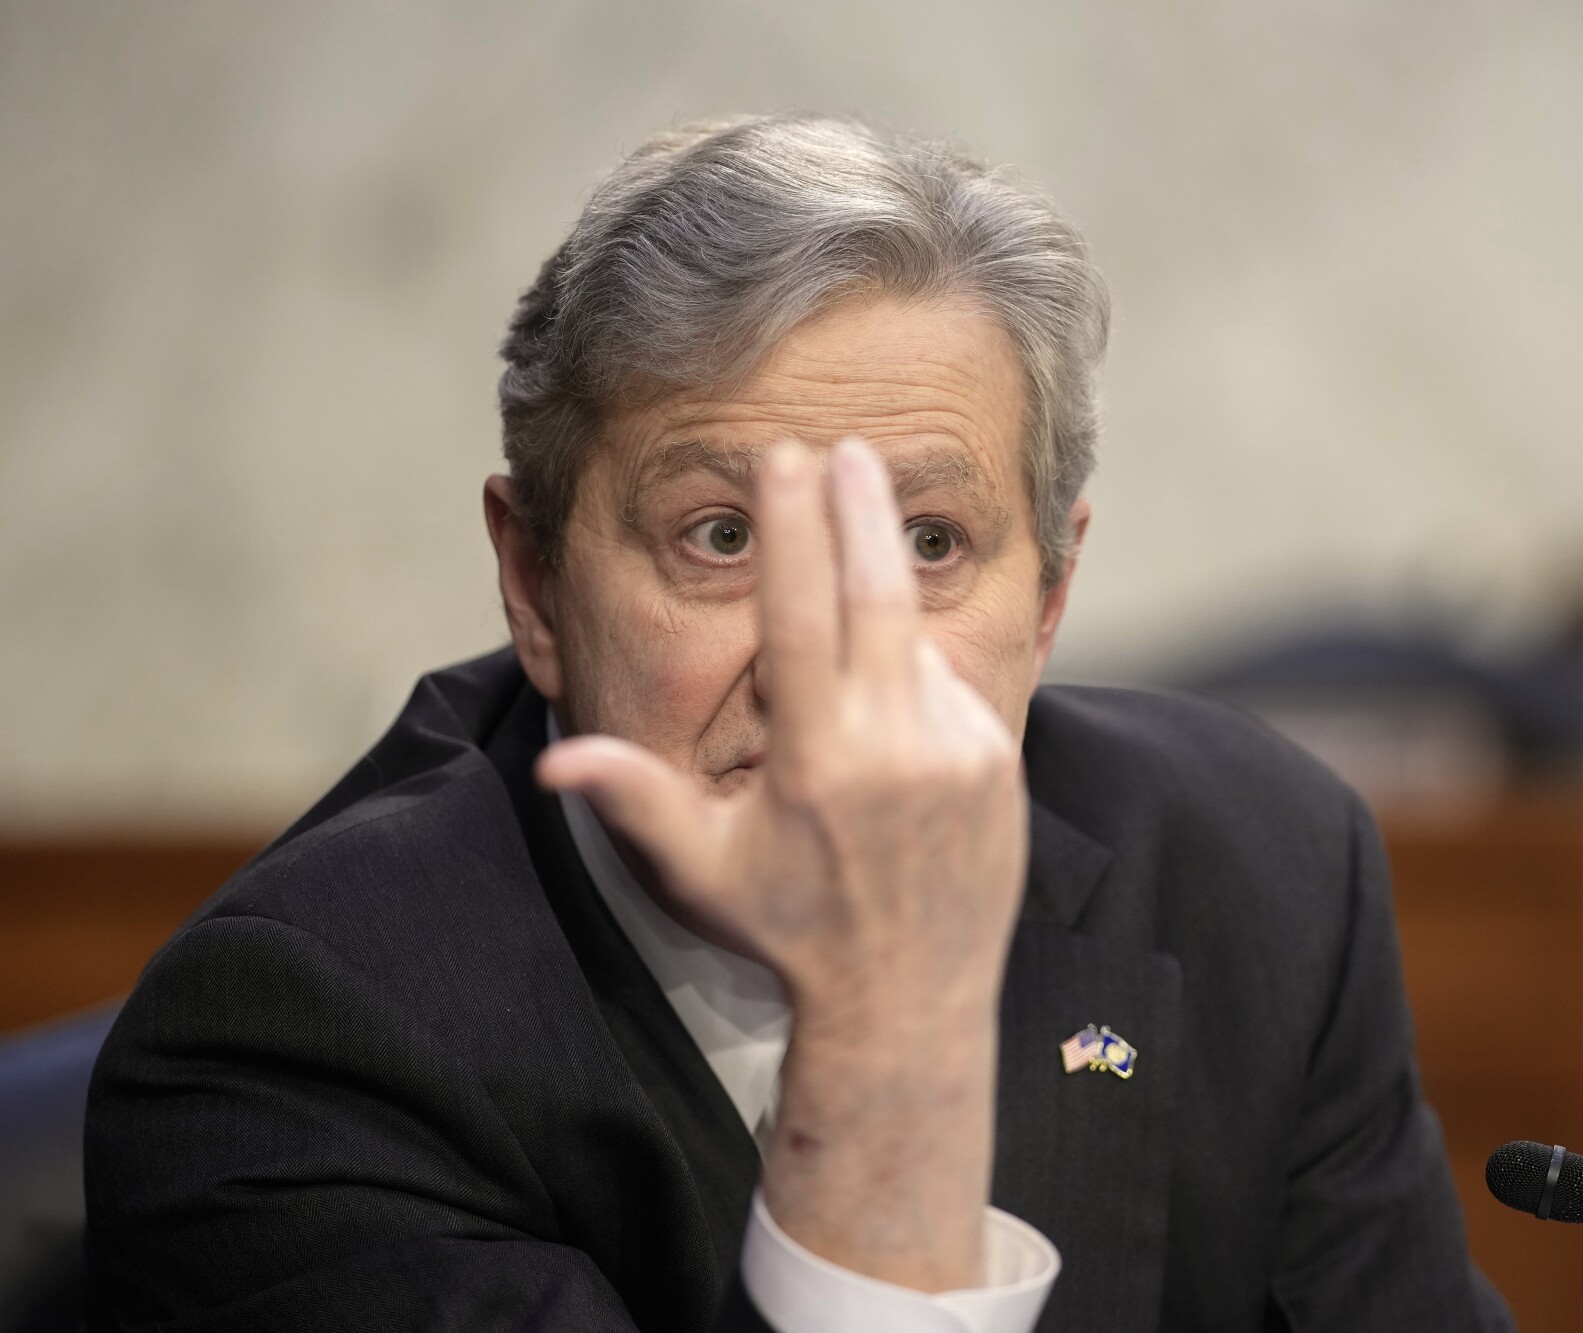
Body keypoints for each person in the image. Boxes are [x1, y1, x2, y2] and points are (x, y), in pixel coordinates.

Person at [85, 115, 1511, 1333]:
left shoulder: (1255, 870)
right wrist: (890, 1013)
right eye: (721, 534)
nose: (831, 658)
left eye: (932, 543)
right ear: (534, 581)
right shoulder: (298, 1042)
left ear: (1055, 597)